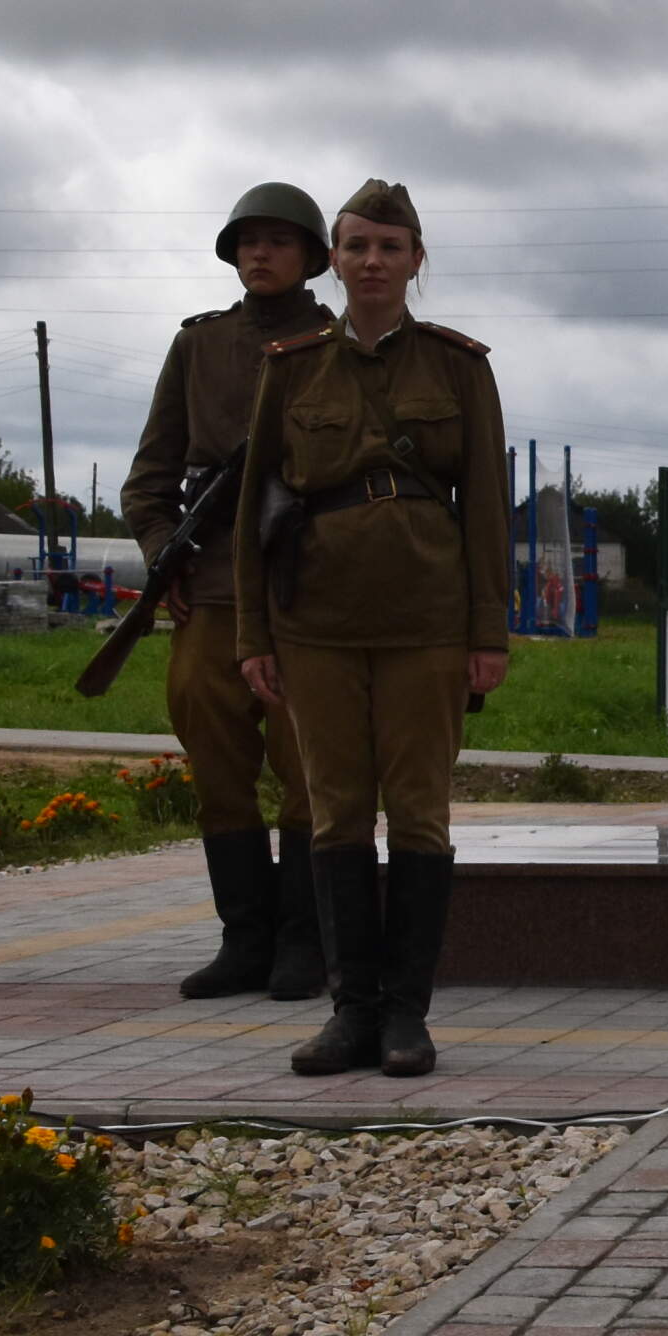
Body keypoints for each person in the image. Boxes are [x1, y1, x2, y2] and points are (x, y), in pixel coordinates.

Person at [236, 181, 510, 1080]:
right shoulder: (292, 364)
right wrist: (254, 634)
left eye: (390, 246)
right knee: (335, 812)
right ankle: (350, 1011)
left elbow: (486, 512)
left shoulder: (459, 367)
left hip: (427, 619)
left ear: (416, 259)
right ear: (336, 258)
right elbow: (252, 512)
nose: (372, 261)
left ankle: (406, 1015)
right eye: (356, 245)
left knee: (420, 814)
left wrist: (487, 630)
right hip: (315, 619)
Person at [121, 182, 333, 1004]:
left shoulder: (339, 342)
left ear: (311, 256)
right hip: (211, 588)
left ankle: (305, 940)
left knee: (311, 764)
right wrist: (160, 556)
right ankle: (243, 936)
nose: (260, 252)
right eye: (248, 240)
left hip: (310, 585)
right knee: (213, 756)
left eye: (279, 240)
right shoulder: (198, 346)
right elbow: (149, 480)